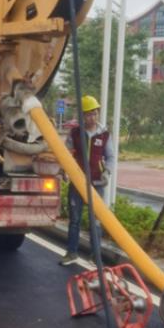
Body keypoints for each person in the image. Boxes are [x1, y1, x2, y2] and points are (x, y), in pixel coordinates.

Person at [59, 95, 115, 266]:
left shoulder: (104, 135)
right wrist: (64, 169)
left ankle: (95, 257)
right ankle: (71, 253)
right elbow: (67, 154)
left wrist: (107, 172)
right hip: (77, 184)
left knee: (95, 222)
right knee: (75, 220)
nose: (92, 117)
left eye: (95, 113)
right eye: (89, 114)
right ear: (82, 115)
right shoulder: (75, 133)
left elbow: (111, 157)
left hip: (97, 185)